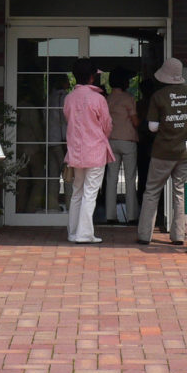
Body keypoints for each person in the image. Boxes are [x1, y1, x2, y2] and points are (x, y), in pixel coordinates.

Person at [137, 57, 187, 246]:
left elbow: (153, 128)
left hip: (162, 152)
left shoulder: (158, 96)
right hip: (185, 153)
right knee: (181, 192)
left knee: (152, 192)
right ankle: (179, 235)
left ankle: (144, 234)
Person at [62, 58, 114, 243]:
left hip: (75, 150)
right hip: (95, 149)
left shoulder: (69, 98)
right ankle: (84, 234)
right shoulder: (98, 98)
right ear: (92, 77)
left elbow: (68, 120)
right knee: (90, 192)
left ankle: (73, 232)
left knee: (77, 191)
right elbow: (107, 125)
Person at [103, 66, 140, 224]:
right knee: (130, 179)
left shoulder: (107, 99)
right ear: (124, 81)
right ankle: (132, 216)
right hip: (128, 141)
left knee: (111, 178)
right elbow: (135, 121)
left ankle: (110, 216)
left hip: (111, 140)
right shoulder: (128, 98)